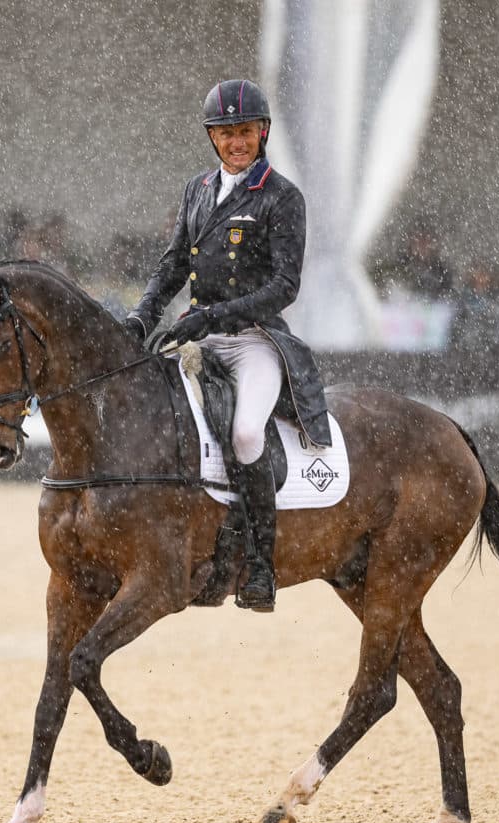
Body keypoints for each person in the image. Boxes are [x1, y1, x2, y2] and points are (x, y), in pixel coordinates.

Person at [124, 78, 332, 612]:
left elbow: (285, 285)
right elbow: (173, 264)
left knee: (243, 435)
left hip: (253, 341)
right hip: (198, 336)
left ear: (261, 132)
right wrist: (141, 318)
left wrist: (214, 316)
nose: (236, 143)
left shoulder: (281, 197)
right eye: (225, 134)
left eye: (244, 132)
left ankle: (260, 565)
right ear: (212, 138)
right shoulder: (197, 189)